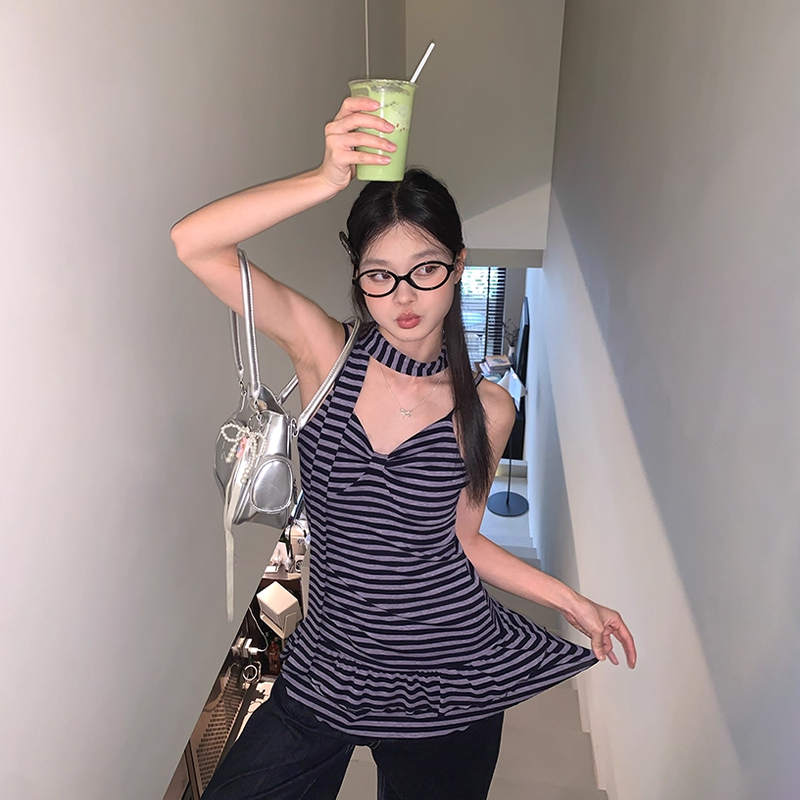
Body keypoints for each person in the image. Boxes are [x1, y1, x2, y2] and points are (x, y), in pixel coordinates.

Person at [171, 95, 637, 800]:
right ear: (359, 277)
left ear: (458, 264)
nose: (403, 295)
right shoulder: (326, 355)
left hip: (450, 677)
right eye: (379, 274)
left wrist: (573, 602)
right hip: (327, 667)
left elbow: (463, 542)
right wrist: (325, 179)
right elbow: (195, 244)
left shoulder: (489, 408)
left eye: (426, 268)